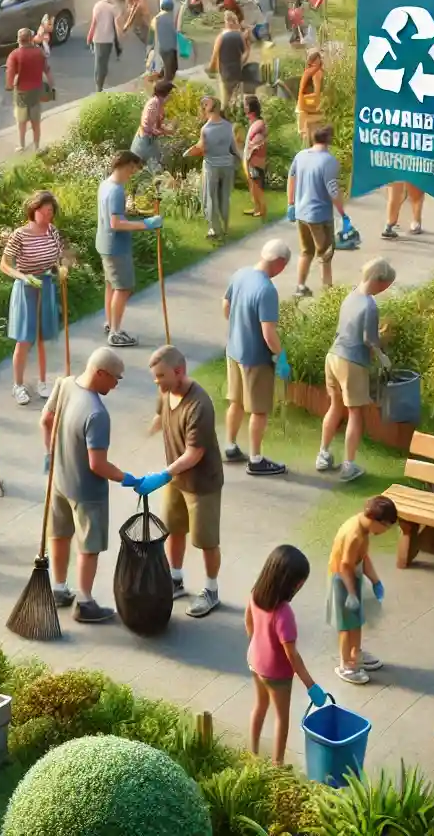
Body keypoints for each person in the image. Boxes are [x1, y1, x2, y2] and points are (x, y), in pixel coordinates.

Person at [41, 347, 133, 624]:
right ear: (100, 373)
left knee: (59, 535)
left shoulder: (65, 384)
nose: (116, 385)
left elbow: (46, 419)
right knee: (88, 546)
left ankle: (58, 588)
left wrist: (51, 454)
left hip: (59, 480)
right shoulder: (97, 414)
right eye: (115, 379)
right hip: (87, 491)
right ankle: (84, 601)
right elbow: (97, 465)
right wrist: (127, 479)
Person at [146, 345, 226, 617]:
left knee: (206, 540)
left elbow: (194, 454)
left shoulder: (199, 406)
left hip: (201, 483)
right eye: (155, 376)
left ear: (179, 371)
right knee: (173, 528)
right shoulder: (165, 391)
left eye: (161, 375)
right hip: (176, 479)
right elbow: (160, 415)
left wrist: (164, 473)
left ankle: (211, 590)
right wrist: (150, 428)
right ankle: (175, 579)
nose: (157, 381)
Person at [246, 545, 328, 764]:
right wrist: (311, 685)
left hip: (254, 661)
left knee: (260, 706)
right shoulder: (284, 614)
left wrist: (258, 644)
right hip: (276, 673)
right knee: (282, 718)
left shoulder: (256, 594)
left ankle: (251, 752)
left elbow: (249, 622)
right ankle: (277, 765)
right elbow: (292, 656)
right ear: (294, 583)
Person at [317, 257, 396, 482]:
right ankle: (348, 466)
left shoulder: (351, 296)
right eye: (386, 286)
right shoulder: (370, 305)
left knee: (335, 406)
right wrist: (383, 358)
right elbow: (368, 340)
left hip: (333, 356)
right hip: (351, 362)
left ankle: (323, 455)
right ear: (380, 282)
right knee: (355, 413)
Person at [222, 239, 293, 476]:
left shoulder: (240, 274)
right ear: (280, 263)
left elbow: (226, 306)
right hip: (255, 358)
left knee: (236, 402)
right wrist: (281, 357)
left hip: (234, 350)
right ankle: (255, 459)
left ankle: (230, 446)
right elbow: (268, 332)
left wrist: (238, 327)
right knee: (259, 410)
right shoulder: (266, 290)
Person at [1, 191, 66, 405]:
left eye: (51, 212)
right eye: (45, 212)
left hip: (45, 285)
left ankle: (42, 382)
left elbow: (58, 258)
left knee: (41, 338)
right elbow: (5, 265)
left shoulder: (52, 232)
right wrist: (24, 277)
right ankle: (18, 385)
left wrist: (61, 269)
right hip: (26, 288)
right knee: (24, 339)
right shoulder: (20, 234)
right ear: (34, 211)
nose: (48, 216)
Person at [327, 495, 396, 684]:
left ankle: (355, 652)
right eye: (386, 527)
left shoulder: (364, 528)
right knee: (346, 626)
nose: (385, 531)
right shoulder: (354, 535)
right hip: (342, 580)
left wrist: (375, 581)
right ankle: (346, 664)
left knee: (356, 621)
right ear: (375, 520)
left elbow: (362, 558)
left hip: (352, 576)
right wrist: (350, 593)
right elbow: (345, 565)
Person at [96, 151, 161, 348]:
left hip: (104, 243)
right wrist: (145, 225)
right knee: (123, 288)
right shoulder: (116, 190)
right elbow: (116, 223)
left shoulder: (105, 184)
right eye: (132, 169)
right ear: (124, 166)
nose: (132, 173)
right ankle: (115, 332)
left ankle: (110, 323)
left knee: (111, 286)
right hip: (116, 246)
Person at [287, 125, 346, 297]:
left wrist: (291, 203)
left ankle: (300, 286)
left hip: (301, 213)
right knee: (325, 255)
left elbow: (292, 178)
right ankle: (328, 293)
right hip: (320, 215)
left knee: (306, 251)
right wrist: (342, 213)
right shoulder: (329, 161)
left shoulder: (301, 156)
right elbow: (333, 190)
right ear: (329, 140)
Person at [188, 95, 240, 241]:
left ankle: (214, 229)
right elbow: (234, 148)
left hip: (211, 166)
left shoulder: (205, 129)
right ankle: (226, 227)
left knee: (210, 197)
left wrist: (191, 152)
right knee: (224, 197)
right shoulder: (228, 126)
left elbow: (202, 149)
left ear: (207, 110)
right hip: (227, 165)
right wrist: (241, 160)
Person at [7, 27, 52, 152]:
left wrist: (10, 85)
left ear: (18, 40)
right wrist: (51, 86)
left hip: (21, 92)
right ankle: (37, 146)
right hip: (36, 91)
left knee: (21, 121)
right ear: (31, 39)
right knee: (35, 121)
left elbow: (10, 74)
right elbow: (47, 70)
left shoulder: (14, 55)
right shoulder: (39, 52)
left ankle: (21, 145)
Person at [209, 11, 249, 112]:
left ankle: (224, 118)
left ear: (226, 22)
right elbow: (246, 52)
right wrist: (241, 63)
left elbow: (214, 56)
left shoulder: (220, 37)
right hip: (237, 72)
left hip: (224, 73)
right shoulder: (240, 36)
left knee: (224, 102)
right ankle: (236, 116)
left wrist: (211, 69)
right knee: (235, 99)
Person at [132, 80, 175, 171]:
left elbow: (156, 124)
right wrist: (163, 132)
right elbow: (146, 126)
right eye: (171, 93)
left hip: (149, 140)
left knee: (156, 164)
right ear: (165, 94)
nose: (172, 96)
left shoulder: (159, 103)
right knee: (155, 170)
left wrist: (166, 129)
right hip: (144, 142)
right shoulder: (153, 104)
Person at [242, 95, 270, 219]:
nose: (244, 108)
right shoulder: (254, 123)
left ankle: (262, 209)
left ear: (252, 108)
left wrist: (250, 155)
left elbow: (257, 142)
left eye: (246, 106)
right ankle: (257, 207)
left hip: (255, 160)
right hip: (251, 160)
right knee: (253, 186)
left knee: (257, 185)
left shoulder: (259, 124)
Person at [88, 0, 120, 91]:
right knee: (103, 63)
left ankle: (98, 85)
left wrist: (89, 36)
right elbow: (117, 23)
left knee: (98, 62)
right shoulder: (112, 7)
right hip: (108, 39)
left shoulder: (97, 6)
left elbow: (93, 23)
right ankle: (99, 86)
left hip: (97, 38)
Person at [296, 50, 326, 147]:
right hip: (309, 110)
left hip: (302, 107)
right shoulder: (317, 72)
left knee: (306, 138)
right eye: (318, 59)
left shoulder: (308, 71)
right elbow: (316, 93)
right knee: (311, 139)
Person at [152, 0, 179, 83]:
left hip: (163, 48)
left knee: (167, 65)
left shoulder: (158, 18)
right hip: (171, 48)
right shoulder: (173, 18)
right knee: (170, 72)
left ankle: (161, 75)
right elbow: (176, 32)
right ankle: (164, 86)